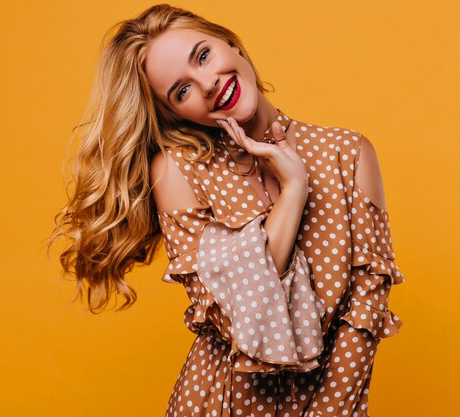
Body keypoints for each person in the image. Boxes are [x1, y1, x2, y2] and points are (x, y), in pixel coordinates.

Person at [48, 4, 406, 416]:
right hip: (220, 403)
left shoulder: (349, 153)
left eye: (203, 56)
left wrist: (328, 411)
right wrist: (292, 190)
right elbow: (241, 317)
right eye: (181, 90)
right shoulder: (178, 172)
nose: (208, 84)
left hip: (331, 403)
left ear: (232, 44)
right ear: (173, 113)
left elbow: (365, 311)